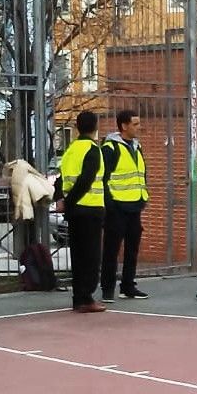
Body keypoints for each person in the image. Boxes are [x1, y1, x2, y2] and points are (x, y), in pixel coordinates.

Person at [99, 109, 150, 302]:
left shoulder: (137, 146)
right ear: (124, 126)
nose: (139, 127)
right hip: (117, 207)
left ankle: (128, 286)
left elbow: (140, 174)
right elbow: (103, 178)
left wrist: (142, 197)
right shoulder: (111, 149)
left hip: (134, 205)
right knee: (111, 250)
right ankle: (107, 288)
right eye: (135, 124)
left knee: (132, 249)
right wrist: (110, 204)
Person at [59, 110, 106, 313]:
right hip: (90, 208)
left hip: (76, 212)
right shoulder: (93, 150)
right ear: (95, 127)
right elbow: (85, 181)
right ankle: (87, 298)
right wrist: (69, 202)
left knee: (78, 256)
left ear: (77, 127)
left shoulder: (71, 150)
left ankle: (78, 297)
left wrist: (62, 201)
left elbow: (62, 178)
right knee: (92, 256)